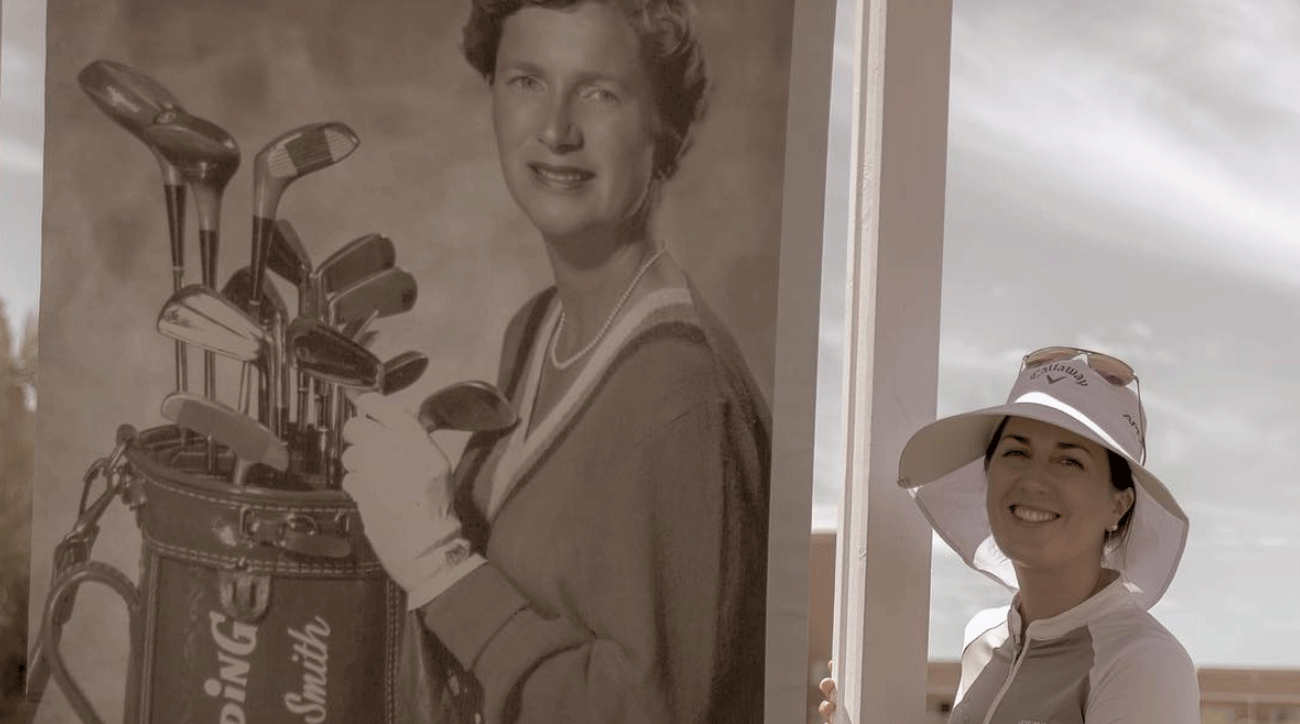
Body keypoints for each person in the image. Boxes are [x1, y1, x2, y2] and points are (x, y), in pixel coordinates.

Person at [338, 2, 771, 723]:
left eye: (601, 92)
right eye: (526, 82)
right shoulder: (537, 327)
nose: (556, 131)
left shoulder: (684, 396)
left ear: (666, 129)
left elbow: (645, 713)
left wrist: (439, 565)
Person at [819, 346, 1199, 723]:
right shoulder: (982, 640)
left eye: (1069, 460)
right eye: (1017, 452)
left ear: (1118, 505)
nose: (1034, 479)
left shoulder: (1143, 662)